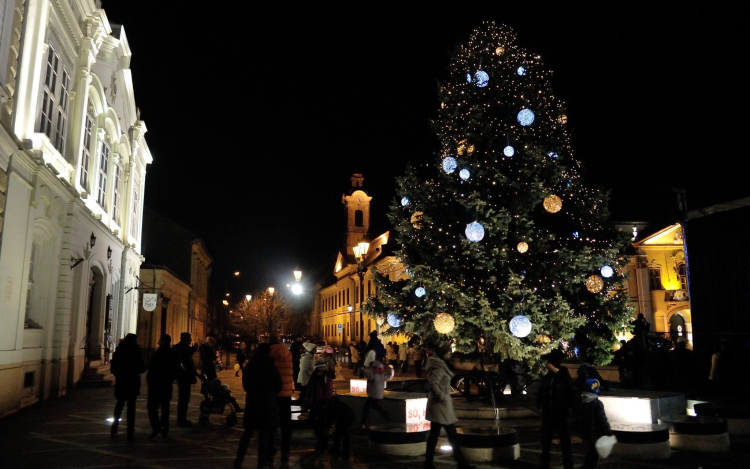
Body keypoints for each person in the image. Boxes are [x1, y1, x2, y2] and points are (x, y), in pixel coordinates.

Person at [424, 341, 472, 469]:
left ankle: (429, 463)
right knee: (450, 434)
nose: (449, 354)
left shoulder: (441, 364)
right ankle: (461, 464)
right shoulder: (439, 366)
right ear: (442, 352)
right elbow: (433, 384)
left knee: (437, 434)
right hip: (440, 404)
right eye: (448, 351)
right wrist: (442, 397)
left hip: (441, 404)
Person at [234, 343, 282, 469]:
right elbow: (278, 385)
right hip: (267, 403)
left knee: (248, 433)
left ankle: (239, 459)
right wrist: (270, 393)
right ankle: (262, 462)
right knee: (264, 434)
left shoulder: (250, 366)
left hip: (253, 402)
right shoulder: (270, 366)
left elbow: (246, 386)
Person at [538, 348, 574, 469]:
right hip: (548, 412)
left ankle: (568, 463)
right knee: (545, 439)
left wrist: (568, 407)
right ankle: (545, 461)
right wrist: (540, 404)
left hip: (560, 412)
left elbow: (570, 392)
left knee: (564, 439)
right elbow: (542, 391)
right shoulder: (547, 377)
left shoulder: (563, 376)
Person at [110, 333, 147, 440]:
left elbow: (113, 369)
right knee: (131, 408)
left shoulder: (119, 351)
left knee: (119, 405)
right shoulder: (136, 351)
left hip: (121, 381)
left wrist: (120, 374)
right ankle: (130, 432)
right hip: (132, 382)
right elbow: (142, 368)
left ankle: (114, 428)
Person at [146, 334, 179, 439]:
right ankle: (165, 429)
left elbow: (152, 368)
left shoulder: (158, 352)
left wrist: (150, 379)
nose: (158, 341)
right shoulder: (173, 353)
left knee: (152, 408)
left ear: (164, 341)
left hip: (156, 384)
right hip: (166, 384)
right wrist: (170, 378)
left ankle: (156, 428)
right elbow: (176, 369)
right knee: (165, 408)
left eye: (160, 340)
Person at [269, 333, 294, 462]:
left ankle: (271, 448)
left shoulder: (268, 354)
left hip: (273, 392)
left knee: (271, 421)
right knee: (286, 423)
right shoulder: (287, 352)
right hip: (286, 391)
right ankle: (285, 450)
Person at [359, 337, 394, 430]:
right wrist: (391, 369)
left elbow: (369, 375)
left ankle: (362, 424)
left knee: (366, 408)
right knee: (373, 405)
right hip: (379, 394)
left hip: (373, 393)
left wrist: (363, 368)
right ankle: (384, 414)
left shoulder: (373, 372)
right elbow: (389, 377)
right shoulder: (381, 373)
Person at [576, 379, 612, 469]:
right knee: (594, 454)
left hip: (587, 432)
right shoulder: (597, 403)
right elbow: (602, 419)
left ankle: (587, 466)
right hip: (596, 433)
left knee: (590, 451)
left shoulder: (582, 401)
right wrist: (608, 430)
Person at [305, 358, 334, 452]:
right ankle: (320, 440)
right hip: (314, 404)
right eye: (318, 368)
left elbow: (329, 390)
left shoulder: (326, 377)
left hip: (323, 404)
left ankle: (323, 443)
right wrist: (308, 403)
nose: (320, 370)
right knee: (313, 422)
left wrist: (324, 400)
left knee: (322, 424)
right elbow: (309, 391)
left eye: (321, 368)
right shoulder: (313, 377)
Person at [173, 332, 198, 427]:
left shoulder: (180, 348)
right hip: (184, 377)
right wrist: (194, 348)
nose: (191, 340)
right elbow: (186, 354)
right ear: (185, 339)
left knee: (184, 399)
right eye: (189, 338)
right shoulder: (181, 348)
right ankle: (181, 419)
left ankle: (182, 418)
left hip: (184, 376)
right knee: (184, 399)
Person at [297, 341, 316, 406]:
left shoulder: (309, 357)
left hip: (307, 378)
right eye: (314, 349)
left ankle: (304, 404)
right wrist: (310, 375)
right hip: (305, 378)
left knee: (305, 392)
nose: (316, 350)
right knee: (304, 392)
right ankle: (303, 404)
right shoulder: (306, 358)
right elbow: (304, 369)